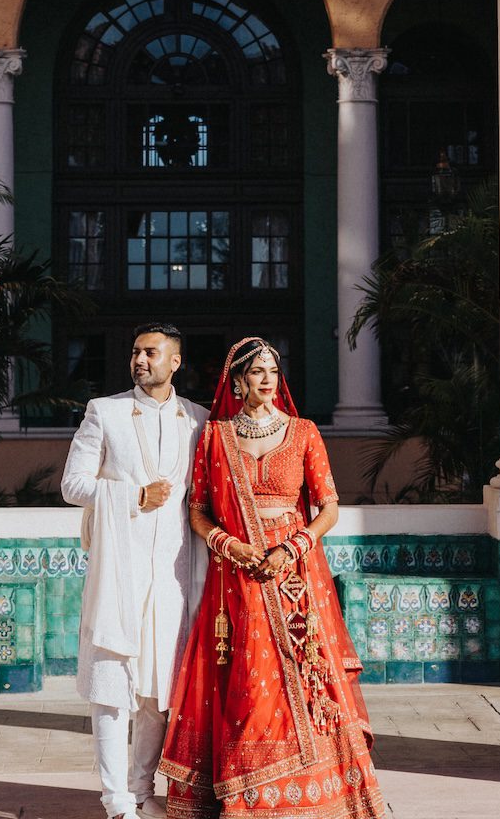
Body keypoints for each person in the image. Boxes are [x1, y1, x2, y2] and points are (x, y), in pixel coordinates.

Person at [158, 337, 385, 819]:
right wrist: (231, 546)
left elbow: (328, 508)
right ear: (238, 381)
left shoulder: (303, 432)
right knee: (246, 680)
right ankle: (245, 795)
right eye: (257, 371)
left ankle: (316, 790)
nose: (267, 379)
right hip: (237, 576)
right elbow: (198, 511)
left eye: (273, 370)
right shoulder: (216, 437)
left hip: (293, 577)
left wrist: (291, 548)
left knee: (299, 680)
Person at [63, 323, 208, 819]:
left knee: (157, 693)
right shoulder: (104, 412)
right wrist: (131, 497)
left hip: (174, 576)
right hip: (117, 571)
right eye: (135, 352)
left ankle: (142, 790)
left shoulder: (200, 421)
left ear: (175, 361)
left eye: (151, 352)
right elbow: (73, 484)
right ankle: (115, 800)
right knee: (111, 689)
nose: (141, 360)